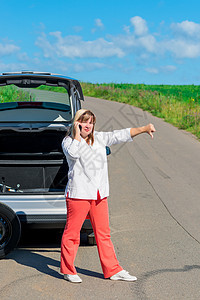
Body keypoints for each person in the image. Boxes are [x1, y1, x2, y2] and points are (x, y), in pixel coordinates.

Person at [60, 109, 156, 283]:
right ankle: (68, 270)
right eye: (84, 121)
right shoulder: (68, 142)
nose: (88, 125)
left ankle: (113, 270)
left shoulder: (99, 138)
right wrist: (76, 134)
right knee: (72, 234)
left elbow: (120, 134)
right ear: (77, 123)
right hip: (78, 195)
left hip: (99, 195)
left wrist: (144, 128)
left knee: (103, 234)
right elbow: (74, 154)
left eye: (91, 122)